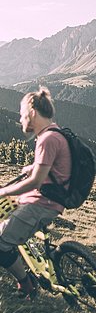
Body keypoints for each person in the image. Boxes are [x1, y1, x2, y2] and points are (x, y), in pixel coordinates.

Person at [0, 87, 71, 300]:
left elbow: (36, 182)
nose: (21, 120)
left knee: (1, 244)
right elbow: (52, 166)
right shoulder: (55, 132)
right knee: (5, 211)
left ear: (32, 112)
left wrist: (3, 191)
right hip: (44, 198)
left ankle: (26, 283)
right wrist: (34, 166)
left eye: (22, 115)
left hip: (43, 203)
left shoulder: (47, 139)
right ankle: (20, 246)